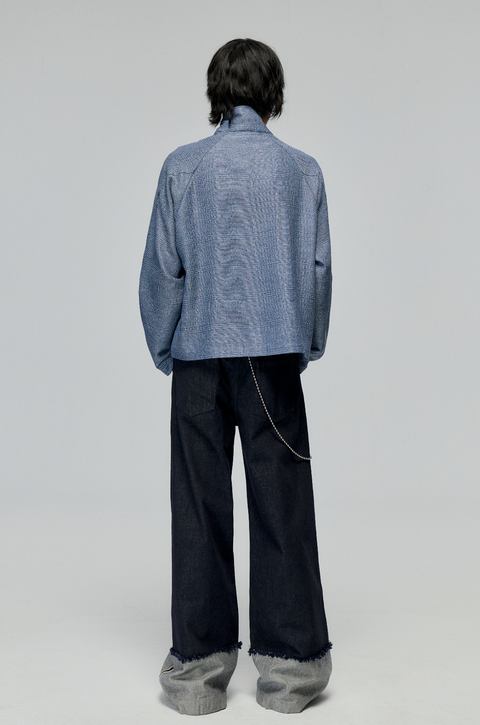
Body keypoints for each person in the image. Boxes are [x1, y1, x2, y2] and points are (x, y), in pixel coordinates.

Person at [139, 38, 333, 716]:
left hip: (198, 355)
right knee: (282, 505)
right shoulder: (301, 170)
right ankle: (291, 676)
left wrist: (165, 344)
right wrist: (307, 342)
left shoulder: (182, 167)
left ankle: (197, 674)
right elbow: (317, 270)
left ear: (215, 93)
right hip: (273, 355)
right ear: (273, 94)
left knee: (199, 507)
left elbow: (163, 267)